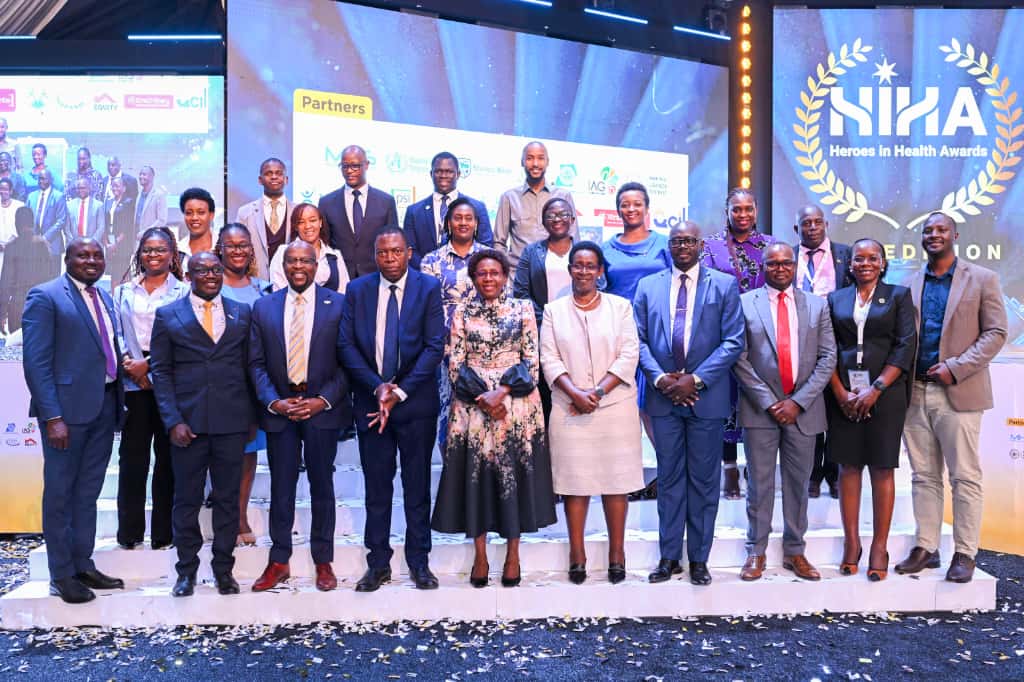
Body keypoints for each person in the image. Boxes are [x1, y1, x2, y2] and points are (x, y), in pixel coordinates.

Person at [432, 248, 556, 588]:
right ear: (474, 278)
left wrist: (500, 392)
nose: (489, 278)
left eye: (495, 273)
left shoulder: (523, 308)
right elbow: (455, 362)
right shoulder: (462, 310)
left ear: (505, 277)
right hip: (473, 408)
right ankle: (481, 555)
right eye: (482, 273)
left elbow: (531, 359)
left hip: (515, 408)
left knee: (512, 478)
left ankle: (514, 554)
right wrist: (482, 397)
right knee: (478, 479)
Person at [896, 212, 1007, 583]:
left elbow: (995, 333)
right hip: (915, 392)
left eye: (941, 229)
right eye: (927, 230)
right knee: (923, 475)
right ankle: (926, 547)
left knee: (964, 477)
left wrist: (956, 367)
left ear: (955, 235)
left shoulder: (983, 279)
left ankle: (965, 552)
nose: (934, 235)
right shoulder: (911, 284)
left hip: (958, 391)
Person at [635, 221, 744, 586]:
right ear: (669, 246)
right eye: (676, 241)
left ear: (700, 245)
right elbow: (638, 340)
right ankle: (669, 557)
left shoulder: (725, 285)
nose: (683, 246)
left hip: (705, 397)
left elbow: (733, 341)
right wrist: (663, 379)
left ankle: (699, 558)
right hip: (662, 397)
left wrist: (693, 380)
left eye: (689, 240)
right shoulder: (648, 286)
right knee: (669, 480)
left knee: (703, 481)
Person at [338, 227, 445, 592]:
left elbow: (434, 347)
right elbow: (347, 345)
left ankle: (419, 562)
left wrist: (398, 391)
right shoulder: (358, 290)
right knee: (377, 489)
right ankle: (378, 564)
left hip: (415, 404)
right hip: (371, 404)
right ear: (375, 254)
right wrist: (377, 386)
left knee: (417, 488)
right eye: (383, 252)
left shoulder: (428, 288)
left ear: (409, 252)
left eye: (396, 252)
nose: (389, 258)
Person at [22, 237, 127, 604]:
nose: (91, 260)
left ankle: (83, 563)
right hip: (65, 415)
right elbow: (36, 363)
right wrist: (52, 416)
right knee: (61, 495)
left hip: (103, 407)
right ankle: (61, 574)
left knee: (87, 494)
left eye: (98, 255)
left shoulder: (105, 298)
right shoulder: (46, 296)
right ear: (67, 258)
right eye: (83, 254)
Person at [149, 251, 254, 597]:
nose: (210, 275)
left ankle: (224, 570)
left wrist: (250, 418)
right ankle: (186, 572)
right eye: (201, 270)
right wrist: (172, 420)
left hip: (231, 422)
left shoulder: (242, 312)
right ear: (189, 275)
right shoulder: (167, 315)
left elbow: (250, 368)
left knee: (227, 500)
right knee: (187, 501)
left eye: (215, 269)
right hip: (187, 426)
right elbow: (161, 372)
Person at [249, 241, 350, 593]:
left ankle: (324, 561)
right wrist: (275, 403)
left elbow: (347, 363)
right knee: (281, 487)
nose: (298, 267)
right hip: (281, 410)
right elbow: (256, 365)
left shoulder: (338, 305)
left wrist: (322, 401)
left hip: (321, 409)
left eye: (305, 260)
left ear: (316, 263)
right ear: (283, 264)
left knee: (322, 485)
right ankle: (279, 561)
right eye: (292, 261)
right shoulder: (263, 307)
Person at [732, 243, 836, 582]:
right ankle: (756, 551)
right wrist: (769, 401)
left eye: (785, 263)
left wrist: (798, 402)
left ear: (795, 266)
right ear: (763, 266)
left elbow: (827, 358)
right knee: (759, 486)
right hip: (760, 411)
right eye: (772, 263)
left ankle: (795, 551)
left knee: (798, 484)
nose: (779, 268)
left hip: (802, 412)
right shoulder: (745, 303)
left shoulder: (818, 306)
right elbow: (739, 358)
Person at [540, 241, 642, 585]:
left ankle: (617, 552)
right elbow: (549, 358)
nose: (583, 271)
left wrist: (596, 393)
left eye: (590, 266)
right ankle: (577, 553)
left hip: (614, 407)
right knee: (574, 483)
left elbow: (629, 354)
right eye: (577, 265)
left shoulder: (621, 307)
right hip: (569, 407)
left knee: (617, 483)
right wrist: (575, 392)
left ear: (600, 272)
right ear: (569, 270)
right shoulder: (553, 311)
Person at [826, 238, 917, 581]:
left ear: (882, 263)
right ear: (849, 265)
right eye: (858, 258)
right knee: (848, 467)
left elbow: (905, 346)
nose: (865, 263)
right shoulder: (836, 299)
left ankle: (879, 546)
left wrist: (875, 390)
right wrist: (840, 392)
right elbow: (828, 347)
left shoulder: (898, 296)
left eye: (872, 258)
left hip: (886, 395)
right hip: (844, 395)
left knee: (881, 468)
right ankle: (852, 544)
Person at [113, 227, 190, 551]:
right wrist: (130, 362)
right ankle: (129, 533)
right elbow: (115, 332)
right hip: (132, 384)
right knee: (132, 459)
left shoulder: (185, 292)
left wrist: (152, 366)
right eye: (147, 249)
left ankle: (163, 534)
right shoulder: (122, 292)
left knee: (168, 459)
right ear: (139, 254)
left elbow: (185, 336)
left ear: (172, 255)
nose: (153, 255)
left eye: (160, 250)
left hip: (169, 383)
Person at [701, 187, 775, 499]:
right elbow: (705, 291)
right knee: (725, 401)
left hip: (762, 334)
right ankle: (729, 468)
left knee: (756, 397)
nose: (742, 214)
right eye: (736, 209)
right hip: (723, 334)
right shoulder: (711, 246)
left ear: (756, 211)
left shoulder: (771, 246)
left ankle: (753, 467)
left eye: (748, 208)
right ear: (727, 211)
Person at [215, 223, 272, 546]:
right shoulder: (206, 284)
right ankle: (222, 514)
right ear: (220, 248)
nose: (237, 250)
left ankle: (239, 516)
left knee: (248, 452)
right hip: (217, 383)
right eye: (230, 245)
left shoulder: (263, 289)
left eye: (243, 245)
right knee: (220, 452)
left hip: (253, 383)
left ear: (251, 250)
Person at [420, 196, 492, 451]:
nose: (463, 223)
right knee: (448, 418)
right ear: (448, 223)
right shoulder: (431, 261)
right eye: (457, 218)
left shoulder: (489, 258)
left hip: (484, 352)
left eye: (468, 218)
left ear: (476, 223)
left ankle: (476, 485)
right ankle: (451, 483)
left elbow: (500, 303)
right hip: (444, 354)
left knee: (481, 418)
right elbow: (425, 309)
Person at [792, 204, 853, 500]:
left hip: (840, 346)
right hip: (800, 346)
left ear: (826, 224)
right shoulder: (787, 257)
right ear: (797, 229)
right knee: (811, 414)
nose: (812, 227)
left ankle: (834, 472)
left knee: (836, 414)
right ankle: (813, 474)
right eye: (806, 223)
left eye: (817, 222)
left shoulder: (846, 255)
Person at [512, 196, 580, 422]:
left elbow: (600, 286)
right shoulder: (532, 252)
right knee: (547, 395)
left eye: (562, 215)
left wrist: (575, 317)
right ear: (543, 222)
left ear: (572, 219)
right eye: (550, 216)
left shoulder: (584, 250)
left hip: (581, 331)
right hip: (543, 331)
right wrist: (550, 319)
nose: (557, 219)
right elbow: (521, 293)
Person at [494, 141, 577, 273]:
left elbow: (574, 238)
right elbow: (499, 243)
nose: (535, 164)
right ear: (522, 162)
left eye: (540, 158)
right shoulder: (509, 197)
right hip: (518, 276)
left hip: (555, 274)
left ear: (547, 162)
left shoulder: (563, 196)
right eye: (530, 158)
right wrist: (505, 272)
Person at [319, 144, 399, 281]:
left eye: (355, 166)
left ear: (366, 165)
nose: (349, 171)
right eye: (344, 166)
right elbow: (325, 244)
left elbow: (393, 243)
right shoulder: (326, 203)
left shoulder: (386, 201)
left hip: (376, 279)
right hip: (339, 280)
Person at [404, 151, 493, 268]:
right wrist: (428, 271)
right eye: (438, 171)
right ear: (431, 174)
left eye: (449, 171)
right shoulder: (414, 211)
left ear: (458, 174)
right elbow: (410, 250)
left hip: (468, 278)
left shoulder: (477, 207)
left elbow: (485, 245)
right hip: (425, 280)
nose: (443, 175)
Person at [603, 182, 671, 300]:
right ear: (618, 211)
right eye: (625, 205)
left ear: (647, 209)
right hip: (619, 316)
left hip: (657, 316)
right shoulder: (605, 249)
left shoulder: (665, 244)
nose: (631, 209)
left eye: (637, 204)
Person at [269, 203, 348, 294]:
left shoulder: (335, 255)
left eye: (312, 220)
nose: (307, 226)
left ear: (320, 222)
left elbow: (343, 292)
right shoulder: (283, 253)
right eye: (301, 222)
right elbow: (279, 291)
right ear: (295, 227)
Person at [235, 157, 294, 279]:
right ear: (260, 180)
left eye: (279, 173)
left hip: (290, 282)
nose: (274, 177)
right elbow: (238, 248)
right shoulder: (245, 212)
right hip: (256, 282)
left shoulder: (298, 211)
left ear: (286, 179)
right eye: (268, 173)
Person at [0, 206, 51, 333]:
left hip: (17, 306)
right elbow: (51, 278)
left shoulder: (11, 247)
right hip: (40, 305)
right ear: (33, 223)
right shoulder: (43, 245)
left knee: (18, 350)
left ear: (16, 223)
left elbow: (5, 283)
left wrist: (2, 314)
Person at [26, 169, 67, 271]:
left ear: (50, 180)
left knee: (52, 280)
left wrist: (44, 238)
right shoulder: (31, 197)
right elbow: (25, 218)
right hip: (33, 245)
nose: (41, 181)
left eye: (43, 179)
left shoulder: (59, 197)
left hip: (52, 245)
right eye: (39, 179)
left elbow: (61, 220)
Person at [104, 176, 136, 288]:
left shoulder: (128, 202)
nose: (114, 188)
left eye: (117, 186)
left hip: (123, 244)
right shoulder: (108, 202)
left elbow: (127, 226)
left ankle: (123, 299)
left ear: (124, 188)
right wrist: (107, 243)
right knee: (113, 274)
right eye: (113, 186)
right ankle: (114, 300)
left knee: (122, 274)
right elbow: (105, 224)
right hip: (110, 243)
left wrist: (116, 244)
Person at [177, 187, 217, 270]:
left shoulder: (225, 249)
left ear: (211, 215)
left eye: (201, 212)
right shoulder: (177, 251)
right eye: (189, 213)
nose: (194, 218)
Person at [65, 176, 104, 244]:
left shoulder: (98, 205)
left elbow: (101, 227)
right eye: (78, 188)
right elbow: (66, 228)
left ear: (89, 189)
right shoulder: (69, 205)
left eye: (83, 188)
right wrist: (73, 242)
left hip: (92, 246)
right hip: (74, 246)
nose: (80, 190)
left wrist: (91, 243)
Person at [0, 178, 25, 276]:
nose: (2, 192)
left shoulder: (19, 206)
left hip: (15, 249)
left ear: (11, 191)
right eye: (0, 189)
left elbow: (23, 228)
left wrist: (10, 244)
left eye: (5, 189)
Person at [134, 166, 168, 235]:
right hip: (136, 237)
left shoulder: (159, 195)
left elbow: (161, 221)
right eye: (140, 174)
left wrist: (146, 232)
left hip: (151, 237)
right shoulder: (139, 194)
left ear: (152, 177)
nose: (141, 176)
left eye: (144, 174)